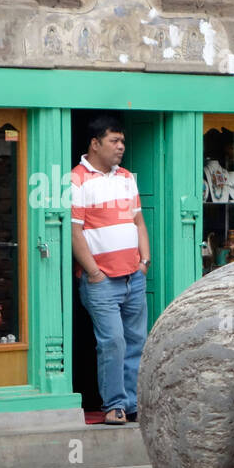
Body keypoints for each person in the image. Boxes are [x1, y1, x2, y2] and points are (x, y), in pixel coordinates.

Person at [71, 115, 149, 426]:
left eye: (123, 142)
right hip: (101, 280)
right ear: (95, 143)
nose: (121, 147)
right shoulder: (76, 179)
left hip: (133, 276)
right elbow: (75, 232)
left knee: (136, 342)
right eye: (114, 141)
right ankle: (114, 405)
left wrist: (144, 261)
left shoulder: (127, 177)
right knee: (113, 341)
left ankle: (132, 404)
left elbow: (138, 222)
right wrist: (94, 272)